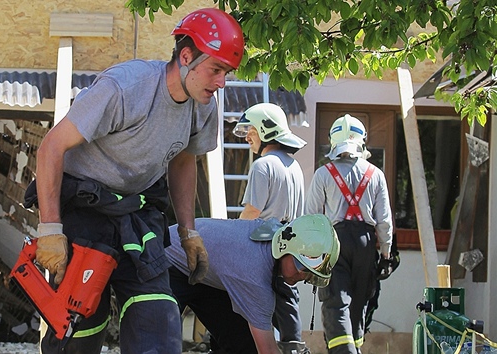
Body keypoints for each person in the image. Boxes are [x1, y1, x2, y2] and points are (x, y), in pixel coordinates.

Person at [24, 8, 245, 354]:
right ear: (186, 57)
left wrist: (188, 231)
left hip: (137, 216)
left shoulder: (203, 106)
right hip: (85, 210)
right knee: (79, 334)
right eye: (216, 70)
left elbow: (185, 159)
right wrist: (50, 229)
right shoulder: (126, 88)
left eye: (226, 73)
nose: (221, 83)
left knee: (159, 327)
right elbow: (51, 147)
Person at [166, 214, 340, 354]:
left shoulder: (273, 234)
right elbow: (268, 350)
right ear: (285, 247)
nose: (303, 276)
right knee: (160, 341)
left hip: (209, 275)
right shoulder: (255, 276)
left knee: (244, 346)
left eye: (311, 275)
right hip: (169, 261)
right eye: (301, 266)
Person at [304, 114, 393, 354]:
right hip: (366, 243)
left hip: (335, 243)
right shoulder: (376, 174)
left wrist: (311, 254)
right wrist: (385, 254)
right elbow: (384, 221)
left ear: (333, 141)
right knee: (360, 301)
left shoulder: (324, 174)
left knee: (336, 300)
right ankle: (355, 348)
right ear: (362, 140)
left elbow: (311, 217)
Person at [232, 102, 310, 353]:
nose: (247, 139)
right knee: (287, 305)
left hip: (263, 247)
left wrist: (232, 237)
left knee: (255, 305)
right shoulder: (294, 166)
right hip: (290, 248)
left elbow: (253, 211)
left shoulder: (263, 165)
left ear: (266, 131)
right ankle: (293, 348)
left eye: (250, 132)